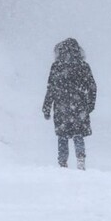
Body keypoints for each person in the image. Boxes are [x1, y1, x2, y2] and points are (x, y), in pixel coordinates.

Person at [42, 38, 97, 170]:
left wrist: (47, 106)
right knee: (78, 133)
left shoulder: (57, 66)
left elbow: (51, 88)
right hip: (79, 105)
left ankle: (62, 162)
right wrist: (90, 103)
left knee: (62, 135)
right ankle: (80, 158)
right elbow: (92, 86)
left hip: (62, 105)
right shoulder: (83, 66)